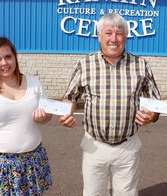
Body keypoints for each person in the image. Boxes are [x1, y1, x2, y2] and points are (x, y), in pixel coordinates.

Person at [58, 13, 161, 196]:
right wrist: (66, 113)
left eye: (119, 33)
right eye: (108, 33)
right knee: (93, 193)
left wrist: (151, 115)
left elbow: (155, 102)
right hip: (94, 146)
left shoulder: (140, 65)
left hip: (127, 147)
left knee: (127, 193)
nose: (114, 39)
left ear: (126, 37)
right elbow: (70, 97)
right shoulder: (85, 64)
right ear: (99, 36)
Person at [0, 36, 53, 195]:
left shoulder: (34, 84)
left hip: (32, 162)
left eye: (8, 56)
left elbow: (47, 116)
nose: (4, 63)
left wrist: (45, 117)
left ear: (15, 56)